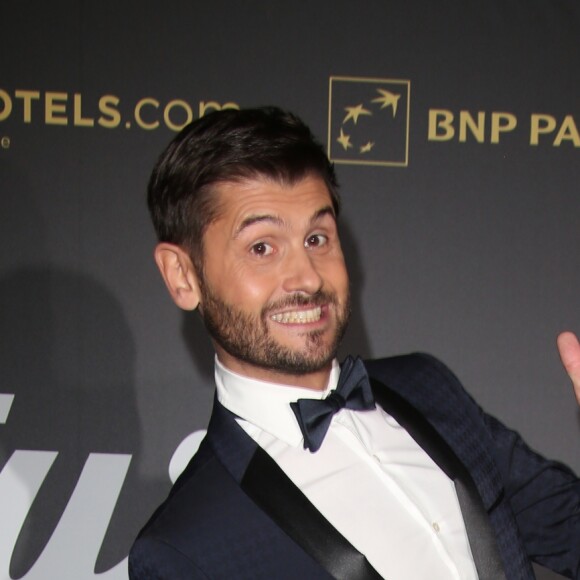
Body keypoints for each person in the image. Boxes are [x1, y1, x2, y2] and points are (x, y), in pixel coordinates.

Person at [129, 106, 580, 579]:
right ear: (182, 276)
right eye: (262, 247)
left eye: (318, 238)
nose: (305, 275)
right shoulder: (184, 546)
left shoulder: (426, 387)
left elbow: (569, 526)